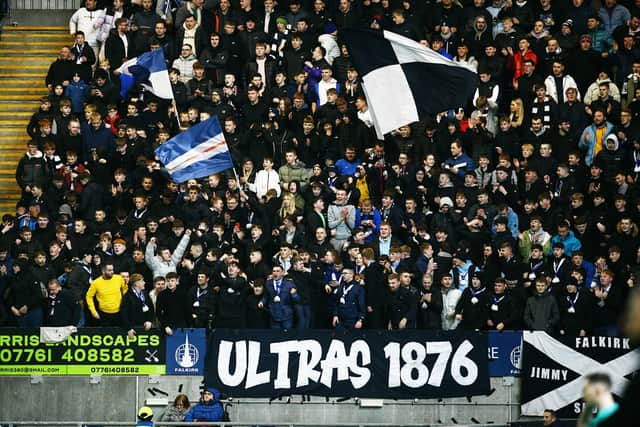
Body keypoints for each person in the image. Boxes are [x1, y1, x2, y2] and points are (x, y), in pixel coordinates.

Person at [85, 261, 128, 326]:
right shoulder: (96, 283)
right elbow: (89, 296)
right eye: (109, 270)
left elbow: (125, 289)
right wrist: (93, 311)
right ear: (103, 271)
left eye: (112, 270)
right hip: (104, 315)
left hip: (119, 313)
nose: (112, 272)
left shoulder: (119, 278)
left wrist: (124, 303)